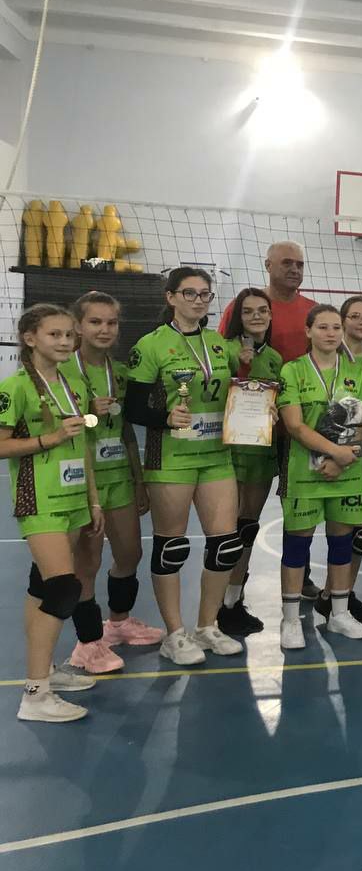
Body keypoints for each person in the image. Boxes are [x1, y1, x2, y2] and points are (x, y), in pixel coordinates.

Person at [125, 267, 244, 665]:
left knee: (225, 545)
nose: (198, 300)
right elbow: (133, 408)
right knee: (171, 548)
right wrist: (163, 418)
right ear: (171, 297)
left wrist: (257, 412)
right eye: (189, 293)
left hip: (216, 458)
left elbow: (234, 394)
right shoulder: (151, 345)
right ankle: (174, 634)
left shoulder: (219, 345)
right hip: (171, 460)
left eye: (204, 294)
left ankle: (207, 626)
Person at [2, 305, 103, 721]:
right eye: (54, 334)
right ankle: (35, 695)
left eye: (68, 335)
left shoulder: (73, 382)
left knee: (41, 586)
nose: (64, 342)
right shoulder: (15, 387)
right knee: (64, 589)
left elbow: (85, 448)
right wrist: (50, 439)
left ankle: (46, 671)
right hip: (39, 499)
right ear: (30, 338)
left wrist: (93, 499)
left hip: (73, 497)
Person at [66, 293, 163, 675]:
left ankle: (118, 623)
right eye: (95, 322)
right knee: (87, 563)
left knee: (130, 554)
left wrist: (139, 479)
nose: (104, 329)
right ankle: (87, 645)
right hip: (79, 479)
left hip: (119, 475)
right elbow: (59, 426)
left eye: (111, 322)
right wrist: (88, 414)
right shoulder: (63, 371)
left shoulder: (120, 372)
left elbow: (124, 430)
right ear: (78, 325)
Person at [275, 304, 362, 649]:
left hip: (344, 471)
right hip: (305, 472)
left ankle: (339, 614)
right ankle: (290, 620)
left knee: (342, 542)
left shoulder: (354, 371)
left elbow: (359, 421)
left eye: (335, 328)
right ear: (308, 331)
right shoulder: (293, 370)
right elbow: (294, 425)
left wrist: (342, 461)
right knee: (297, 544)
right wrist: (335, 453)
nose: (331, 334)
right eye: (323, 327)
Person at [307, 295, 362, 622]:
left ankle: (338, 594)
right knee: (321, 531)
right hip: (322, 457)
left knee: (360, 534)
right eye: (355, 316)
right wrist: (332, 454)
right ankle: (317, 592)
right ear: (342, 321)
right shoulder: (326, 358)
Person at [216, 288, 284, 637]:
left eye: (262, 310)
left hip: (259, 453)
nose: (256, 316)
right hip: (227, 453)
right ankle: (215, 603)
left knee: (247, 528)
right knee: (225, 532)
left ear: (270, 316)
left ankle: (233, 601)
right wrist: (239, 365)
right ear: (237, 317)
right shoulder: (222, 351)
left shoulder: (274, 358)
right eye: (248, 311)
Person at [218, 240, 314, 363]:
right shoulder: (241, 305)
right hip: (253, 375)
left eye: (300, 265)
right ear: (268, 265)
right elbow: (219, 352)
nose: (295, 270)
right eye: (287, 263)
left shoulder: (314, 311)